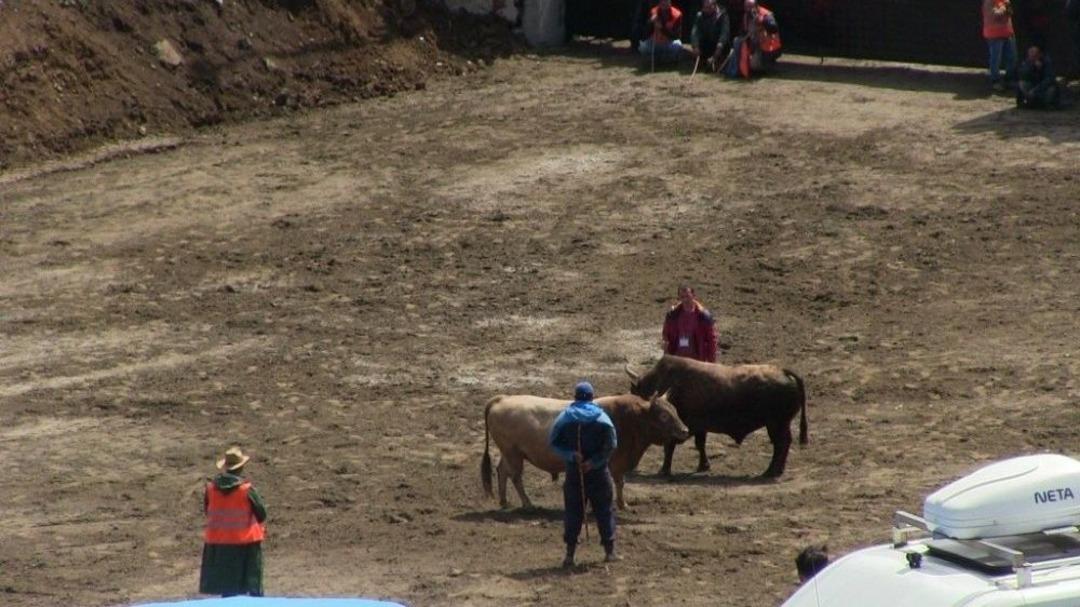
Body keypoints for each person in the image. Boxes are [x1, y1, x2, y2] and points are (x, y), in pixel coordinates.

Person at [548, 382, 619, 567]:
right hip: (598, 473)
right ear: (592, 397)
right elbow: (612, 445)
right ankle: (609, 552)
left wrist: (571, 455)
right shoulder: (602, 418)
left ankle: (570, 555)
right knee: (604, 510)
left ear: (576, 397)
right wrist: (594, 462)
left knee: (573, 512)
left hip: (574, 472)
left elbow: (553, 442)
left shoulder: (565, 417)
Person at [200, 446, 267, 597]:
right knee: (252, 588)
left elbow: (208, 512)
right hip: (246, 545)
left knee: (227, 590)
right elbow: (262, 514)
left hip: (219, 545)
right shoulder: (246, 490)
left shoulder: (210, 489)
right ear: (241, 468)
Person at [661, 284, 718, 362]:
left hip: (697, 361)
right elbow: (666, 334)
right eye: (682, 297)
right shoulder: (673, 315)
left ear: (693, 296)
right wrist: (665, 347)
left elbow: (712, 340)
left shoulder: (703, 316)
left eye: (687, 296)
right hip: (677, 359)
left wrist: (712, 361)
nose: (685, 300)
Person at [725, 0, 781, 78]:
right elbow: (743, 32)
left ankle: (768, 65)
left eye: (750, 7)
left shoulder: (766, 14)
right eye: (746, 7)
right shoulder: (746, 16)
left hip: (769, 48)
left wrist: (762, 21)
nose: (747, 9)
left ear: (756, 6)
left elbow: (774, 28)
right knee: (737, 42)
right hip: (755, 45)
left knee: (754, 65)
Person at [982, 0, 1017, 91]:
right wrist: (1004, 7)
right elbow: (993, 16)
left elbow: (1010, 13)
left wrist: (1008, 8)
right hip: (995, 35)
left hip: (1007, 32)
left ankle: (1009, 79)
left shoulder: (1004, 1)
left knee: (1012, 57)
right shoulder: (989, 2)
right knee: (996, 59)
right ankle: (995, 81)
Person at [639, 0, 686, 66]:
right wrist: (650, 22)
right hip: (654, 42)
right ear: (659, 3)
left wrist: (662, 28)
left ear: (670, 3)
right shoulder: (653, 12)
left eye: (666, 2)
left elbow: (676, 36)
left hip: (668, 43)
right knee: (642, 47)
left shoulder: (677, 14)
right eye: (662, 2)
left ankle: (663, 60)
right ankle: (660, 59)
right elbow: (645, 33)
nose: (664, 3)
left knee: (678, 45)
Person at [691, 0, 731, 73]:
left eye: (709, 7)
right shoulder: (700, 15)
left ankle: (717, 61)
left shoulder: (723, 16)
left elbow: (724, 33)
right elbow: (695, 32)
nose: (706, 10)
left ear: (714, 6)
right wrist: (695, 46)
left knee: (722, 46)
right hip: (707, 44)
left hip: (719, 46)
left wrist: (719, 48)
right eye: (705, 7)